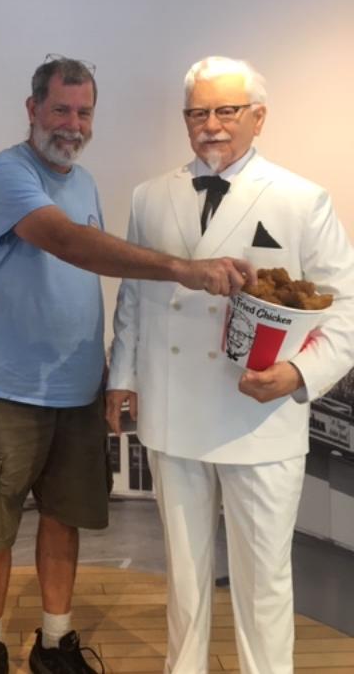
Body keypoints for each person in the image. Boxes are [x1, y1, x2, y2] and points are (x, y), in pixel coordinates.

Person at [0, 55, 254, 674]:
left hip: (75, 387)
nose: (72, 125)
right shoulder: (4, 173)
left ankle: (55, 641)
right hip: (8, 388)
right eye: (61, 109)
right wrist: (182, 269)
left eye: (84, 113)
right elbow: (69, 243)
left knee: (64, 517)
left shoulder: (85, 182)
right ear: (33, 109)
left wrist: (116, 376)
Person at [106, 55, 354, 674]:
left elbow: (346, 305)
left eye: (226, 111)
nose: (210, 125)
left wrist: (300, 375)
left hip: (260, 416)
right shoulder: (149, 196)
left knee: (263, 581)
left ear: (258, 117)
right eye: (197, 113)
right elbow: (134, 295)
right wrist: (123, 377)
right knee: (183, 578)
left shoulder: (302, 199)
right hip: (173, 411)